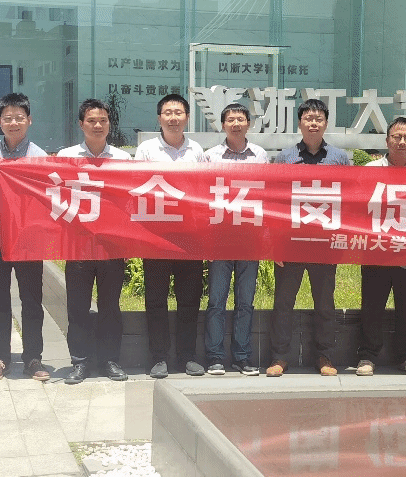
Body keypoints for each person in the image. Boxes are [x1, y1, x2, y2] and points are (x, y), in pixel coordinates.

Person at [267, 98, 353, 377]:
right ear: (300, 123)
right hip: (290, 242)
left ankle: (325, 356)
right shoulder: (285, 157)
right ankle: (279, 356)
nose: (313, 123)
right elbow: (274, 201)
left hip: (325, 242)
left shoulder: (339, 158)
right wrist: (275, 244)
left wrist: (343, 240)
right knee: (283, 302)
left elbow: (350, 200)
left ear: (326, 123)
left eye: (318, 119)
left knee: (325, 303)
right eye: (308, 118)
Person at [0, 93, 52, 382]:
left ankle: (33, 358)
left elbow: (48, 198)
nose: (13, 123)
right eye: (8, 118)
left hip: (27, 234)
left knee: (31, 299)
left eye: (19, 118)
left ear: (29, 121)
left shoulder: (40, 157)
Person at [57, 98, 132, 384]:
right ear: (81, 124)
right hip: (78, 243)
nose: (97, 125)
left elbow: (130, 201)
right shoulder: (66, 156)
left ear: (109, 123)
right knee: (77, 307)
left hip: (112, 244)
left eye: (102, 120)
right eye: (91, 121)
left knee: (110, 306)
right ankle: (80, 362)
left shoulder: (123, 159)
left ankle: (110, 360)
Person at [134, 93, 206, 378]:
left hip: (190, 236)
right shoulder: (146, 150)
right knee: (156, 298)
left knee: (189, 298)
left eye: (178, 113)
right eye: (168, 113)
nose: (173, 118)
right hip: (156, 234)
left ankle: (187, 356)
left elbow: (204, 190)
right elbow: (135, 188)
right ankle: (159, 357)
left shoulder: (196, 150)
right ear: (159, 118)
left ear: (187, 117)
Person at [356, 117, 406, 376]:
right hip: (376, 249)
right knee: (372, 304)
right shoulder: (369, 171)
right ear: (387, 140)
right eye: (397, 137)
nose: (402, 142)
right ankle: (367, 355)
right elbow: (357, 208)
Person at [200, 103, 269, 376]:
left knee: (245, 302)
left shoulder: (260, 155)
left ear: (249, 123)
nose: (236, 124)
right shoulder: (210, 157)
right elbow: (201, 197)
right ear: (223, 125)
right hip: (219, 238)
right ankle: (215, 357)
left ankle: (242, 356)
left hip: (250, 239)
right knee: (216, 301)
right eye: (230, 119)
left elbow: (268, 197)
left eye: (240, 119)